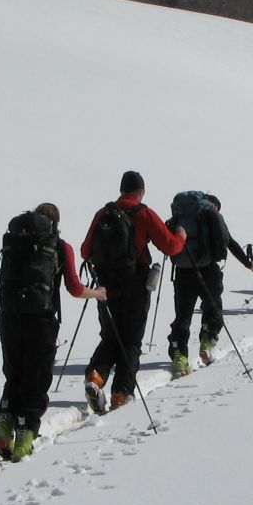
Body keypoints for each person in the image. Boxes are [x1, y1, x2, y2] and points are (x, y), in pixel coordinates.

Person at [0, 203, 105, 461]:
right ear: (55, 223)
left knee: (14, 375)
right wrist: (97, 293)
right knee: (36, 379)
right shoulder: (59, 246)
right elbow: (75, 288)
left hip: (9, 319)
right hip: (41, 322)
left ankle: (4, 425)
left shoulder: (14, 242)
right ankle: (24, 438)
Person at [80, 171, 185, 412]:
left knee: (110, 335)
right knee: (131, 339)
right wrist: (181, 236)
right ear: (141, 191)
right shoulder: (143, 213)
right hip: (136, 282)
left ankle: (96, 376)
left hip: (105, 286)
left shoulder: (103, 213)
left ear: (121, 189)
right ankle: (121, 393)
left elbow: (86, 251)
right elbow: (170, 246)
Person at [166, 192, 253, 377]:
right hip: (208, 269)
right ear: (213, 205)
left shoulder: (182, 215)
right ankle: (207, 341)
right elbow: (229, 242)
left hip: (183, 270)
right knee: (213, 306)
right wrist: (248, 263)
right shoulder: (211, 215)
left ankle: (179, 354)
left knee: (183, 314)